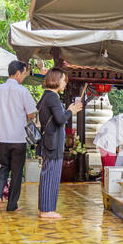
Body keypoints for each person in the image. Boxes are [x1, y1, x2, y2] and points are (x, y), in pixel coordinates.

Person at [0, 60, 37, 211]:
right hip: (19, 138)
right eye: (24, 73)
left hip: (2, 137)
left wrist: (3, 119)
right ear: (18, 73)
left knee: (3, 167)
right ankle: (12, 205)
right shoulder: (23, 91)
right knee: (16, 172)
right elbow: (31, 115)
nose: (24, 77)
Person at [36, 67, 82, 219]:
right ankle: (47, 210)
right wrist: (71, 111)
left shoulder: (46, 96)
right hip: (52, 142)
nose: (65, 84)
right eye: (63, 80)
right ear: (56, 80)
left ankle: (45, 208)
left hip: (49, 141)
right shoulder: (53, 97)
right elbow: (60, 119)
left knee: (48, 174)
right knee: (51, 175)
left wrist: (67, 110)